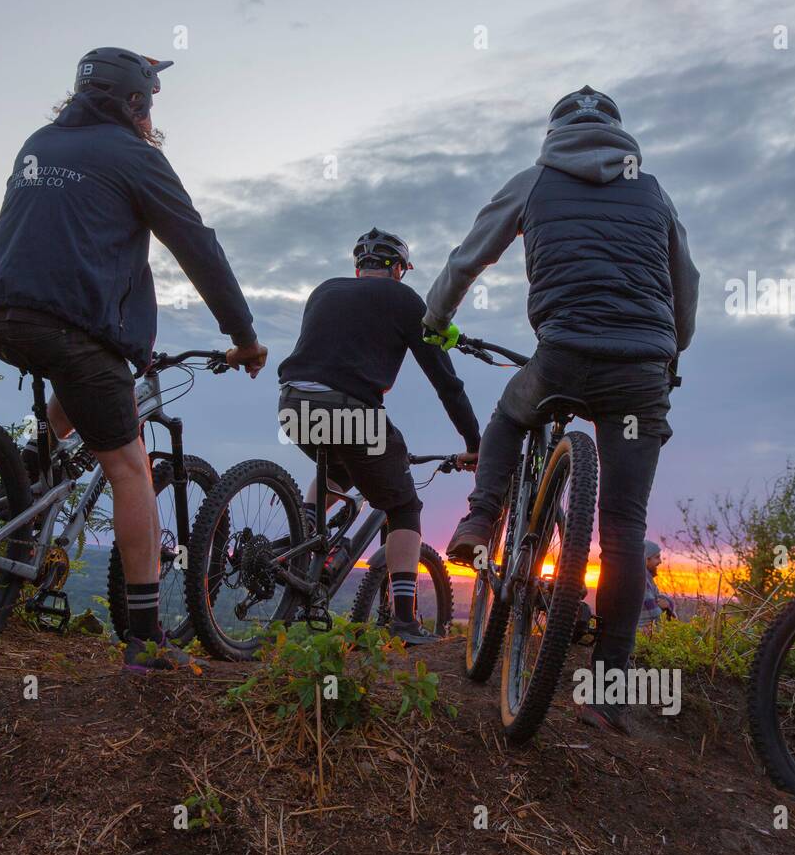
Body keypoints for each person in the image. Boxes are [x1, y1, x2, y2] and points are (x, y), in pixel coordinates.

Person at [0, 47, 268, 671]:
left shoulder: (40, 143)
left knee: (77, 390)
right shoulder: (135, 155)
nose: (152, 115)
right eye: (150, 102)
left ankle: (22, 487)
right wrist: (242, 333)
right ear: (135, 103)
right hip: (69, 324)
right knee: (131, 465)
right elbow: (197, 245)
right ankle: (143, 640)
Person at [422, 86, 699, 732]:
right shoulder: (654, 192)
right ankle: (607, 693)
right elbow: (685, 285)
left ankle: (481, 519)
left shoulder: (534, 181)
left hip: (564, 354)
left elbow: (469, 258)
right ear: (620, 133)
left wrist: (437, 318)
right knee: (624, 531)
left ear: (555, 133)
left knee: (509, 417)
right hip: (641, 370)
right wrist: (671, 348)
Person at [277, 229, 481, 644]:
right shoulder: (404, 300)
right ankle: (404, 621)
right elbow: (447, 383)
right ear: (398, 270)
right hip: (350, 411)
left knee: (339, 469)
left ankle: (309, 544)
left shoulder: (323, 291)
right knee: (403, 505)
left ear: (359, 267)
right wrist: (474, 443)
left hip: (292, 404)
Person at [639, 540, 676, 627]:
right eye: (657, 557)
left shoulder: (648, 580)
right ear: (646, 559)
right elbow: (656, 615)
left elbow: (659, 599)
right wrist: (665, 607)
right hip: (642, 636)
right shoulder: (642, 581)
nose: (660, 561)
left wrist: (666, 605)